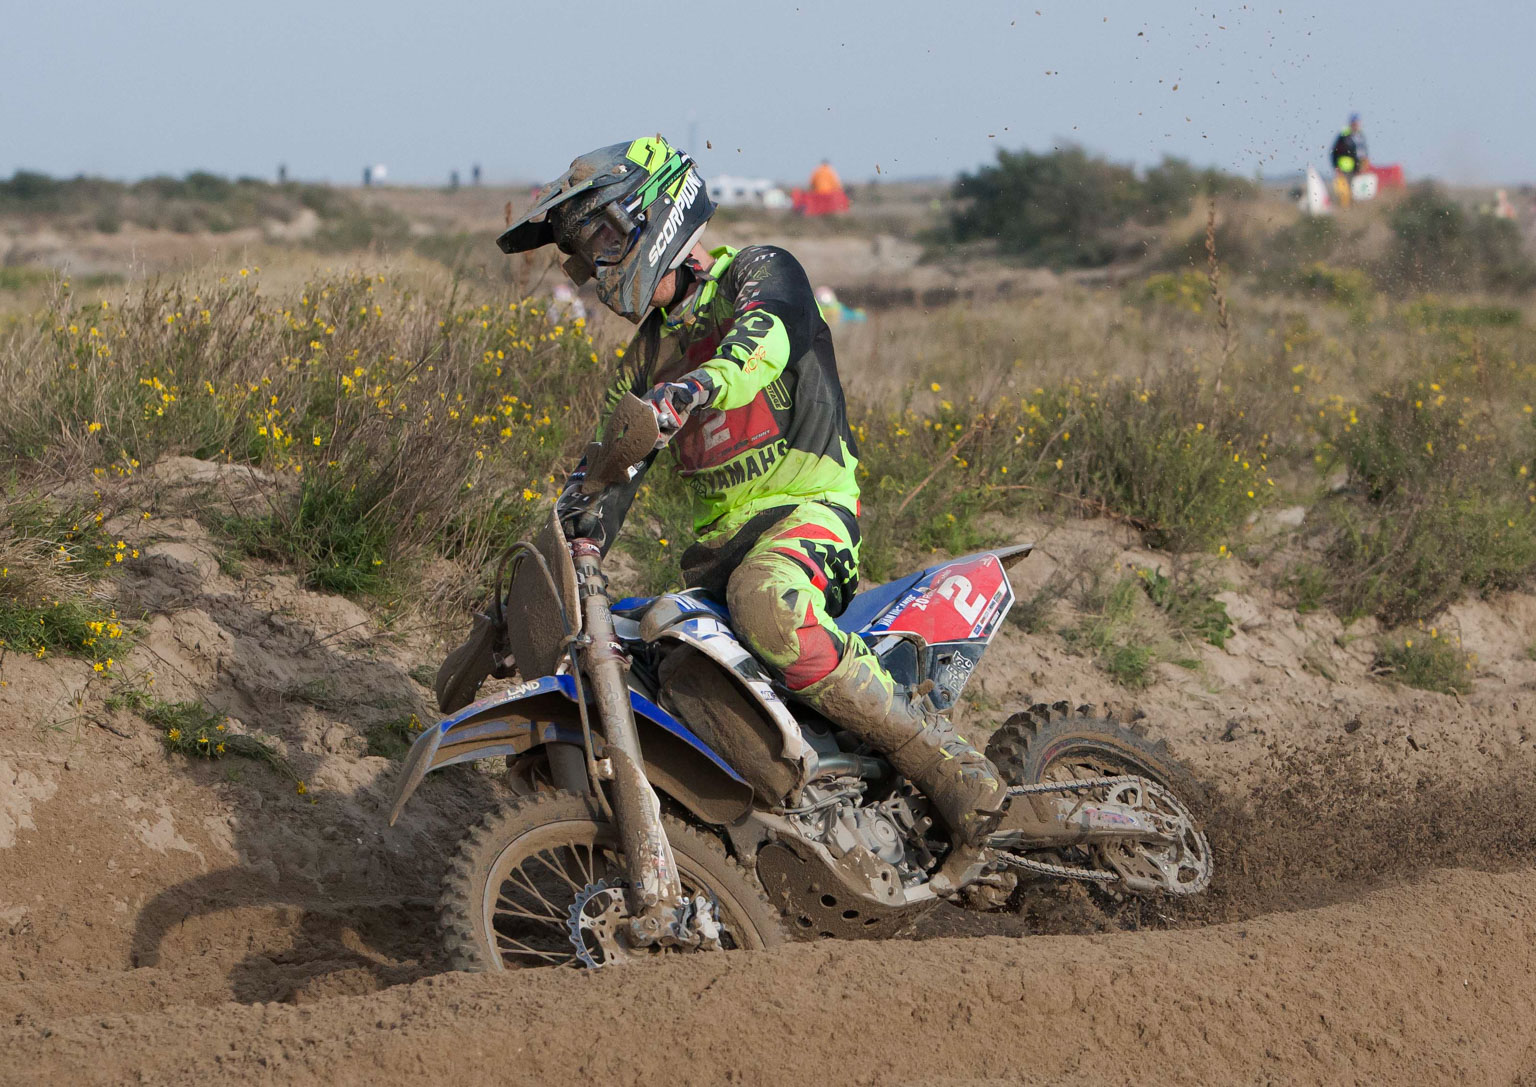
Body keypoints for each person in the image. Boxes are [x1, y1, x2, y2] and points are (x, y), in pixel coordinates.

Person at [496, 137, 1005, 859]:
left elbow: (763, 343)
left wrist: (691, 389)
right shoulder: (644, 359)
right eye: (583, 253)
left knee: (766, 600)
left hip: (810, 517)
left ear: (655, 215)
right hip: (719, 557)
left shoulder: (760, 272)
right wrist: (539, 574)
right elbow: (604, 474)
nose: (598, 266)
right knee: (651, 654)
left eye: (603, 239)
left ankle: (945, 760)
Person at [1330, 113, 1366, 209]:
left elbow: (1364, 152)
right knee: (1343, 191)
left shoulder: (1360, 136)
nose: (1356, 125)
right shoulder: (1344, 136)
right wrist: (1336, 166)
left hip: (1356, 169)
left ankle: (1353, 209)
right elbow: (1334, 152)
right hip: (1343, 169)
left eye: (1357, 123)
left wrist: (1363, 165)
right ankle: (1343, 208)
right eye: (1354, 123)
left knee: (1356, 191)